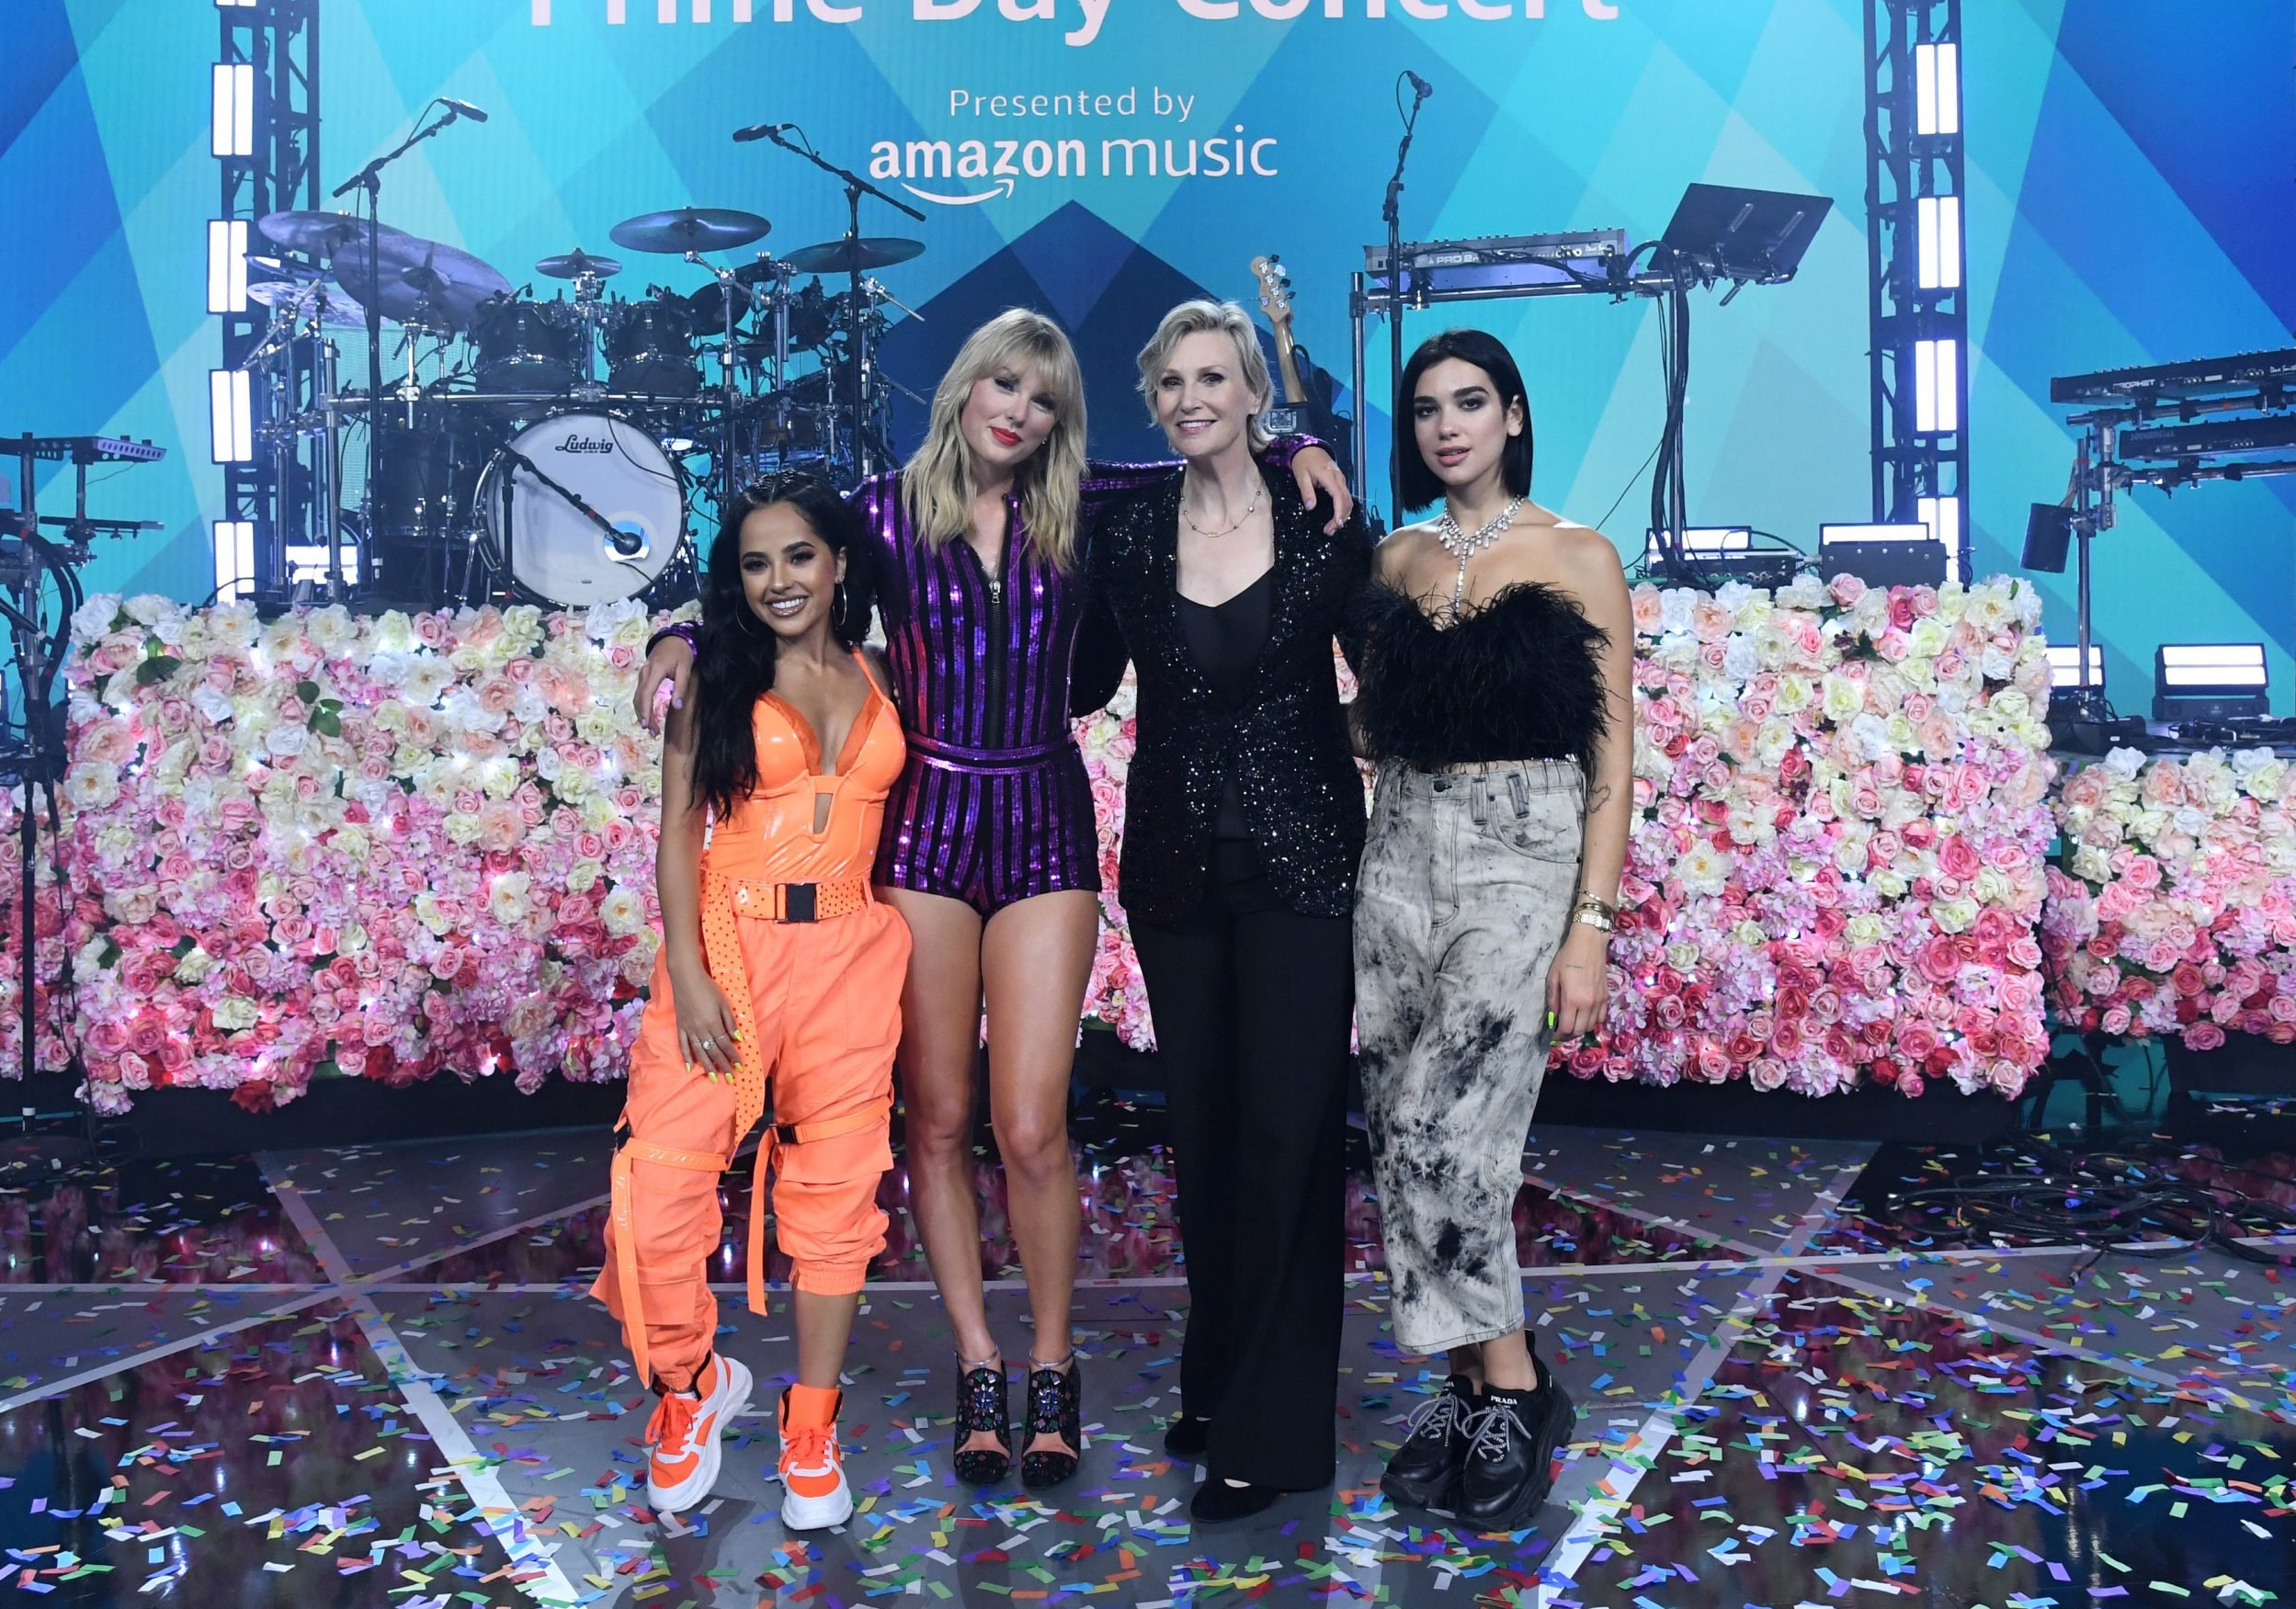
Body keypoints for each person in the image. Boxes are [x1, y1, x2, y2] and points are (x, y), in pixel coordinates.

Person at [632, 309, 1351, 1489]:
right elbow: (768, 558)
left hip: (1042, 823)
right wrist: (676, 628)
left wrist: (1295, 446)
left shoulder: (1088, 504)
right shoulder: (877, 513)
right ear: (965, 386)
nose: (1019, 410)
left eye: (1044, 397)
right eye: (1004, 385)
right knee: (937, 1116)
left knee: (1029, 1123)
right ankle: (978, 1359)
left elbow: (1207, 449)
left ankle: (1052, 1362)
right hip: (925, 828)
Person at [1078, 301, 1371, 1521]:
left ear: (1256, 390)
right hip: (1176, 871)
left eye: (1214, 377)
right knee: (1203, 1133)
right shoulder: (1127, 529)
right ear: (1153, 403)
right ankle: (1217, 1381)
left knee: (1288, 1135)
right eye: (1171, 382)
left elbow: (1387, 674)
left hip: (1305, 865)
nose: (1192, 398)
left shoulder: (1322, 518)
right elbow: (1083, 678)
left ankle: (1273, 1432)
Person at [1348, 328, 1634, 1530]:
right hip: (1398, 858)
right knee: (1397, 1134)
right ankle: (1468, 1389)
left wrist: (1591, 925)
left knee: (1448, 1128)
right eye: (1426, 409)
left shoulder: (1577, 554)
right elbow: (1374, 731)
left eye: (1470, 402)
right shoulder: (1397, 558)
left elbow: (1612, 762)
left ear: (1513, 415)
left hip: (1525, 854)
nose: (1448, 426)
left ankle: (1515, 1385)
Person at [594, 470, 907, 1532]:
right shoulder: (712, 682)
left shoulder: (885, 671)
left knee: (838, 1198)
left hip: (853, 951)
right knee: (657, 1188)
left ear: (840, 563)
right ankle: (690, 1388)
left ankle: (810, 1425)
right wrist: (688, 974)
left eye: (799, 556)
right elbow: (675, 835)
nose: (779, 580)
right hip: (728, 946)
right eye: (756, 563)